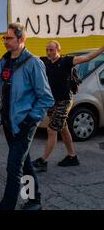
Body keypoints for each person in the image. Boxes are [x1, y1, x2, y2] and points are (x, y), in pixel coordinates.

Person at [0, 23, 54, 210]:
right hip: (8, 124)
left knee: (13, 168)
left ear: (21, 39)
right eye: (4, 38)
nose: (4, 41)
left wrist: (30, 120)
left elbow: (46, 98)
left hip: (24, 125)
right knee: (25, 163)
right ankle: (33, 200)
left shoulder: (33, 63)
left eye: (9, 38)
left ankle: (6, 207)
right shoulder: (4, 61)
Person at [32, 41, 104, 172]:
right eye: (47, 50)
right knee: (63, 128)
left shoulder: (67, 61)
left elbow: (87, 58)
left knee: (52, 129)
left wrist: (102, 49)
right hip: (51, 102)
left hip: (64, 101)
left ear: (58, 50)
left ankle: (43, 161)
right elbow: (29, 58)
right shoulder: (44, 61)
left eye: (51, 50)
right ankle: (72, 157)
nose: (48, 52)